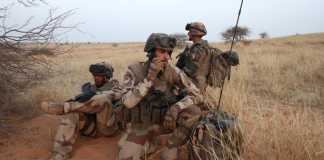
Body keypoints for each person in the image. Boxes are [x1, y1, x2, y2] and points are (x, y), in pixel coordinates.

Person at [40, 62, 122, 160]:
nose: (96, 78)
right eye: (94, 75)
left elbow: (115, 95)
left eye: (99, 76)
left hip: (108, 127)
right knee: (72, 114)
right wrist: (79, 98)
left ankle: (65, 107)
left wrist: (95, 95)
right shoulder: (90, 88)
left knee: (101, 99)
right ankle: (61, 153)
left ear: (107, 76)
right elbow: (78, 99)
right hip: (93, 128)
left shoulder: (115, 86)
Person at [176, 22, 239, 93]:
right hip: (196, 86)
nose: (188, 34)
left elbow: (188, 71)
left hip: (192, 87)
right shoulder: (205, 47)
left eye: (190, 31)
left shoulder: (198, 50)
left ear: (194, 33)